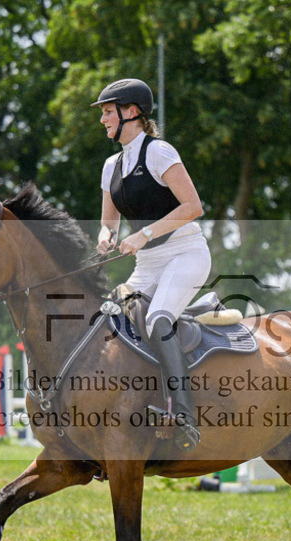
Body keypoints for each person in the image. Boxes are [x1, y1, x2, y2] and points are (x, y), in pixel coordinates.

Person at [91, 78, 210, 451]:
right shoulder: (111, 166)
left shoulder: (159, 152)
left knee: (158, 319)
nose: (103, 120)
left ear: (132, 112)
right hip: (147, 264)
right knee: (107, 321)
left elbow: (193, 207)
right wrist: (105, 238)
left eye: (108, 112)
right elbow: (108, 220)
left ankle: (185, 416)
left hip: (185, 253)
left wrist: (143, 235)